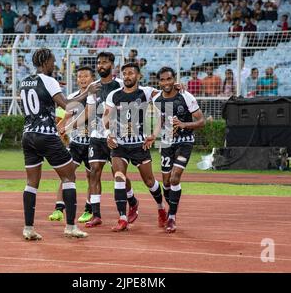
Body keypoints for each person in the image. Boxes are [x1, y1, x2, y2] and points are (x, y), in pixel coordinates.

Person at [19, 48, 100, 241]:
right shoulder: (49, 81)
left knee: (31, 183)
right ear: (45, 61)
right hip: (46, 135)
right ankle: (71, 227)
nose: (54, 64)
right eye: (53, 61)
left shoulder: (24, 82)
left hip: (27, 135)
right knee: (70, 176)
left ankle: (28, 228)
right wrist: (86, 92)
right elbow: (67, 105)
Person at [103, 63, 167, 231]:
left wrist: (176, 87)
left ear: (139, 76)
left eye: (131, 73)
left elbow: (166, 95)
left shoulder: (145, 92)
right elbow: (105, 119)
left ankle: (161, 207)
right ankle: (122, 218)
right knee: (119, 178)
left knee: (149, 181)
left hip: (140, 145)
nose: (127, 76)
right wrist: (107, 135)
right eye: (124, 73)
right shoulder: (114, 95)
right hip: (119, 145)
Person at [79, 52, 137, 228]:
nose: (100, 65)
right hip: (96, 136)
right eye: (98, 63)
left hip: (115, 137)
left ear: (112, 65)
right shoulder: (93, 87)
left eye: (104, 62)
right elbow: (88, 112)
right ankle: (96, 215)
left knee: (118, 175)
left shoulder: (121, 85)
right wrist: (69, 126)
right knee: (94, 172)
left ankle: (131, 202)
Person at [152, 67, 205, 233]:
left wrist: (184, 125)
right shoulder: (157, 100)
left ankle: (172, 218)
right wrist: (153, 135)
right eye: (163, 80)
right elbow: (160, 121)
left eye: (169, 79)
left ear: (174, 79)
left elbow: (201, 121)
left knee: (175, 178)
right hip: (167, 143)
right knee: (166, 182)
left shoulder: (185, 96)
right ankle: (170, 209)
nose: (166, 83)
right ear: (159, 82)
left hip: (185, 142)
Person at [48, 66, 95, 223]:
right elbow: (66, 116)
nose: (82, 79)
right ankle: (59, 208)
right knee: (66, 174)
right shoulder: (73, 96)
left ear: (92, 78)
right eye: (80, 76)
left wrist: (68, 126)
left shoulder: (97, 97)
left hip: (92, 144)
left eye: (86, 76)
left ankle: (89, 209)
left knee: (92, 177)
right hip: (75, 144)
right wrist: (60, 128)